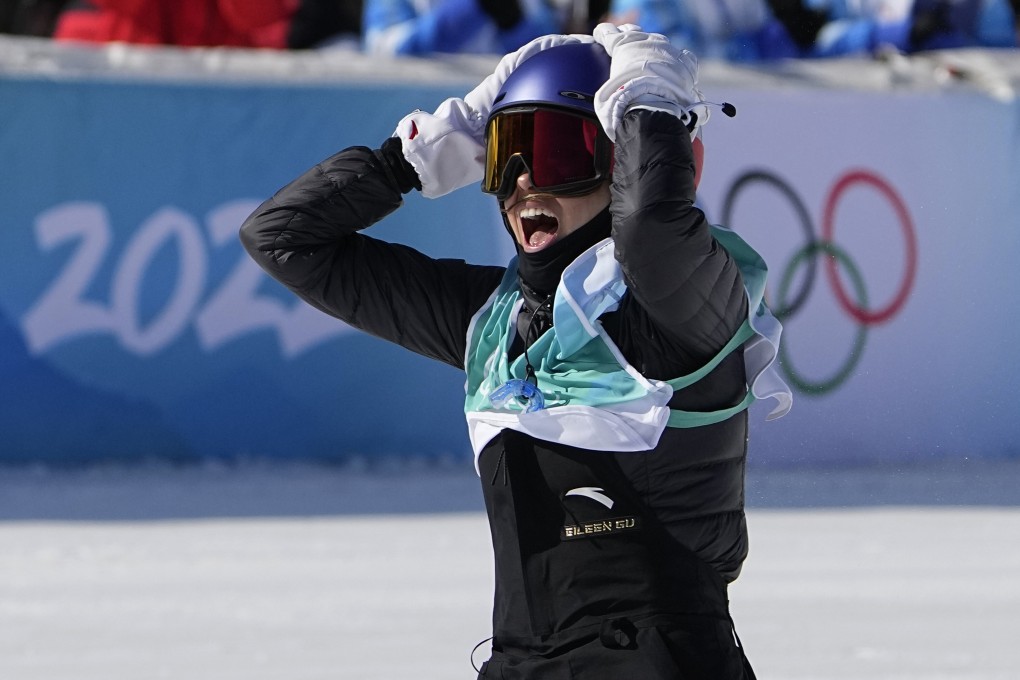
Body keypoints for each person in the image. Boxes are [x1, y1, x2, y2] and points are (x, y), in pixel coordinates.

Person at [240, 24, 791, 679]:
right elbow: (282, 239)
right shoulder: (492, 321)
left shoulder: (680, 308)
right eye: (507, 153)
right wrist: (405, 160)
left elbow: (650, 224)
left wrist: (651, 100)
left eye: (558, 152)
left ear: (620, 163)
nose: (526, 181)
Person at [362, 0, 562, 55]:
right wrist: (471, 8)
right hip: (419, 115)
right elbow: (382, 48)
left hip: (496, 112)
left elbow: (549, 50)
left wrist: (513, 23)